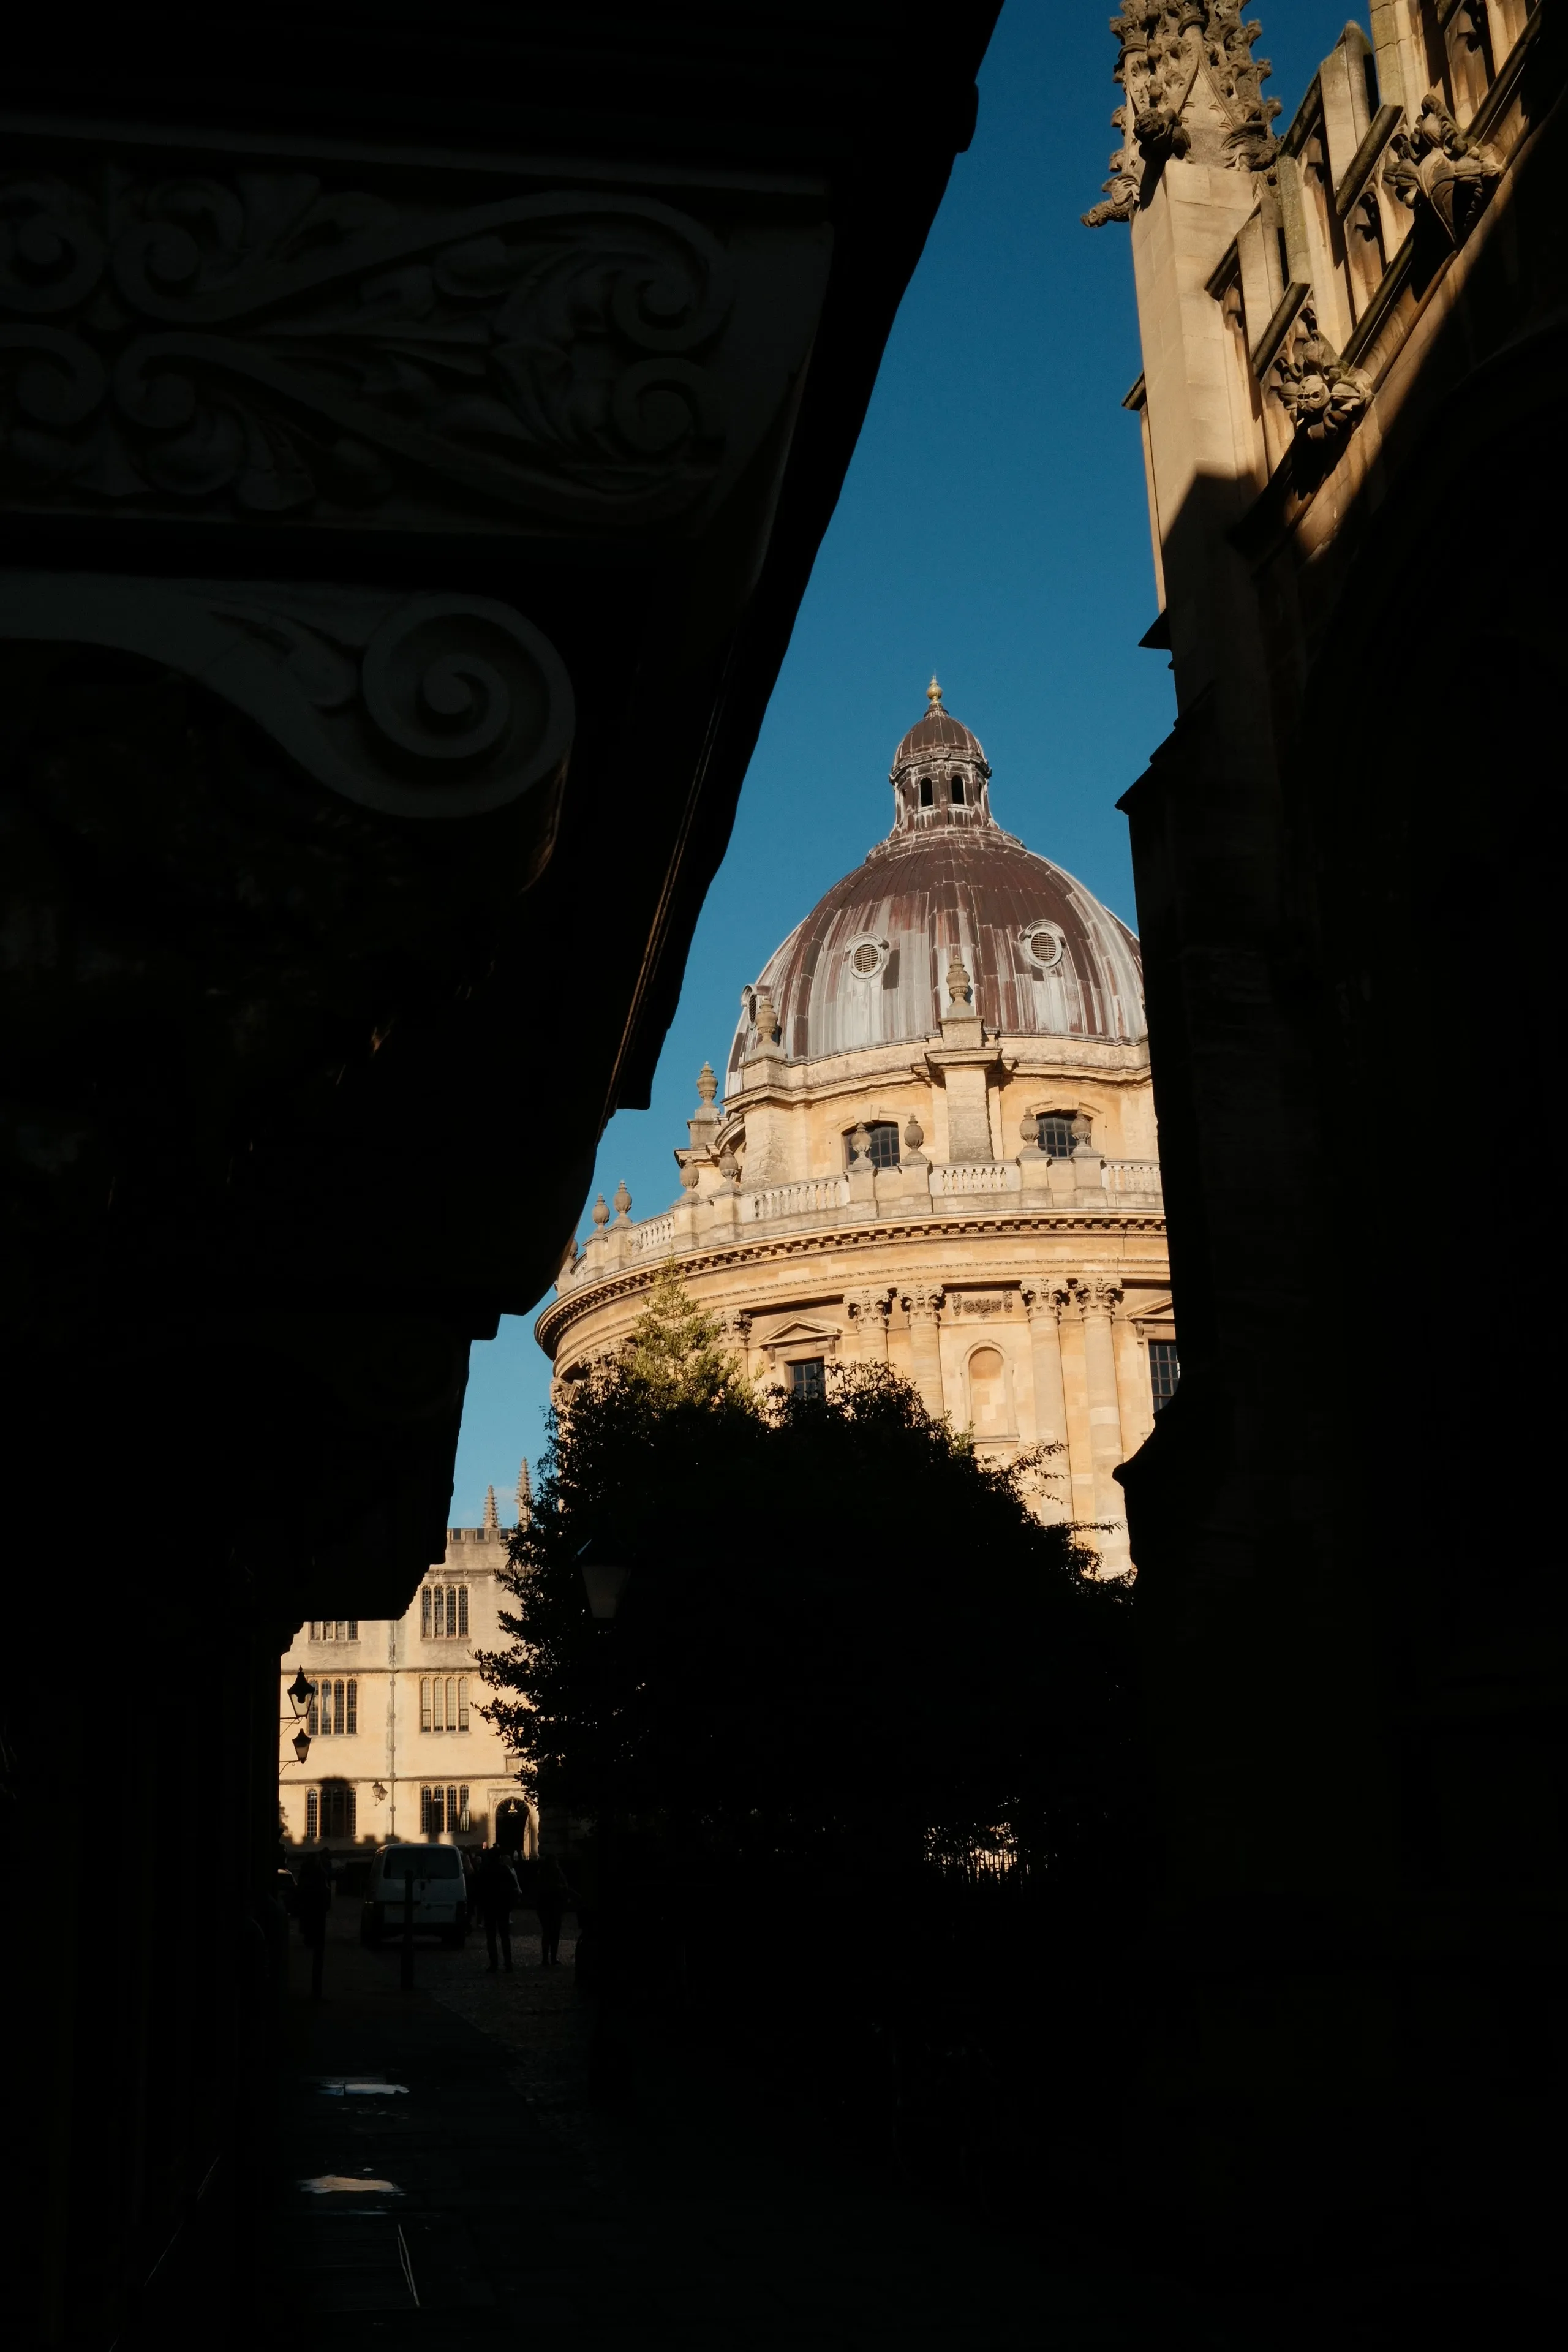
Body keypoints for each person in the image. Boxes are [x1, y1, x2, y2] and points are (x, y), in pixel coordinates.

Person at [475, 1846, 521, 1973]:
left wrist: (482, 1906)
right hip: (503, 1908)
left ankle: (494, 1963)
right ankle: (508, 1963)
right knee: (505, 1937)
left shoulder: (485, 1870)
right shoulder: (504, 1870)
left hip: (490, 1908)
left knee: (491, 1937)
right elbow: (513, 1888)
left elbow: (479, 1890)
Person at [295, 1851, 330, 2000]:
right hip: (318, 1918)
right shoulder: (320, 1876)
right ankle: (317, 1991)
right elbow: (326, 1897)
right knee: (318, 1955)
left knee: (316, 1954)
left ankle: (316, 1990)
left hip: (310, 1918)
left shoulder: (305, 1877)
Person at [534, 1856, 573, 1969]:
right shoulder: (557, 1874)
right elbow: (564, 1888)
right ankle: (551, 1958)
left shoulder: (543, 1874)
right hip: (554, 1907)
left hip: (547, 1908)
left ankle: (547, 1958)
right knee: (554, 1933)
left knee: (548, 1933)